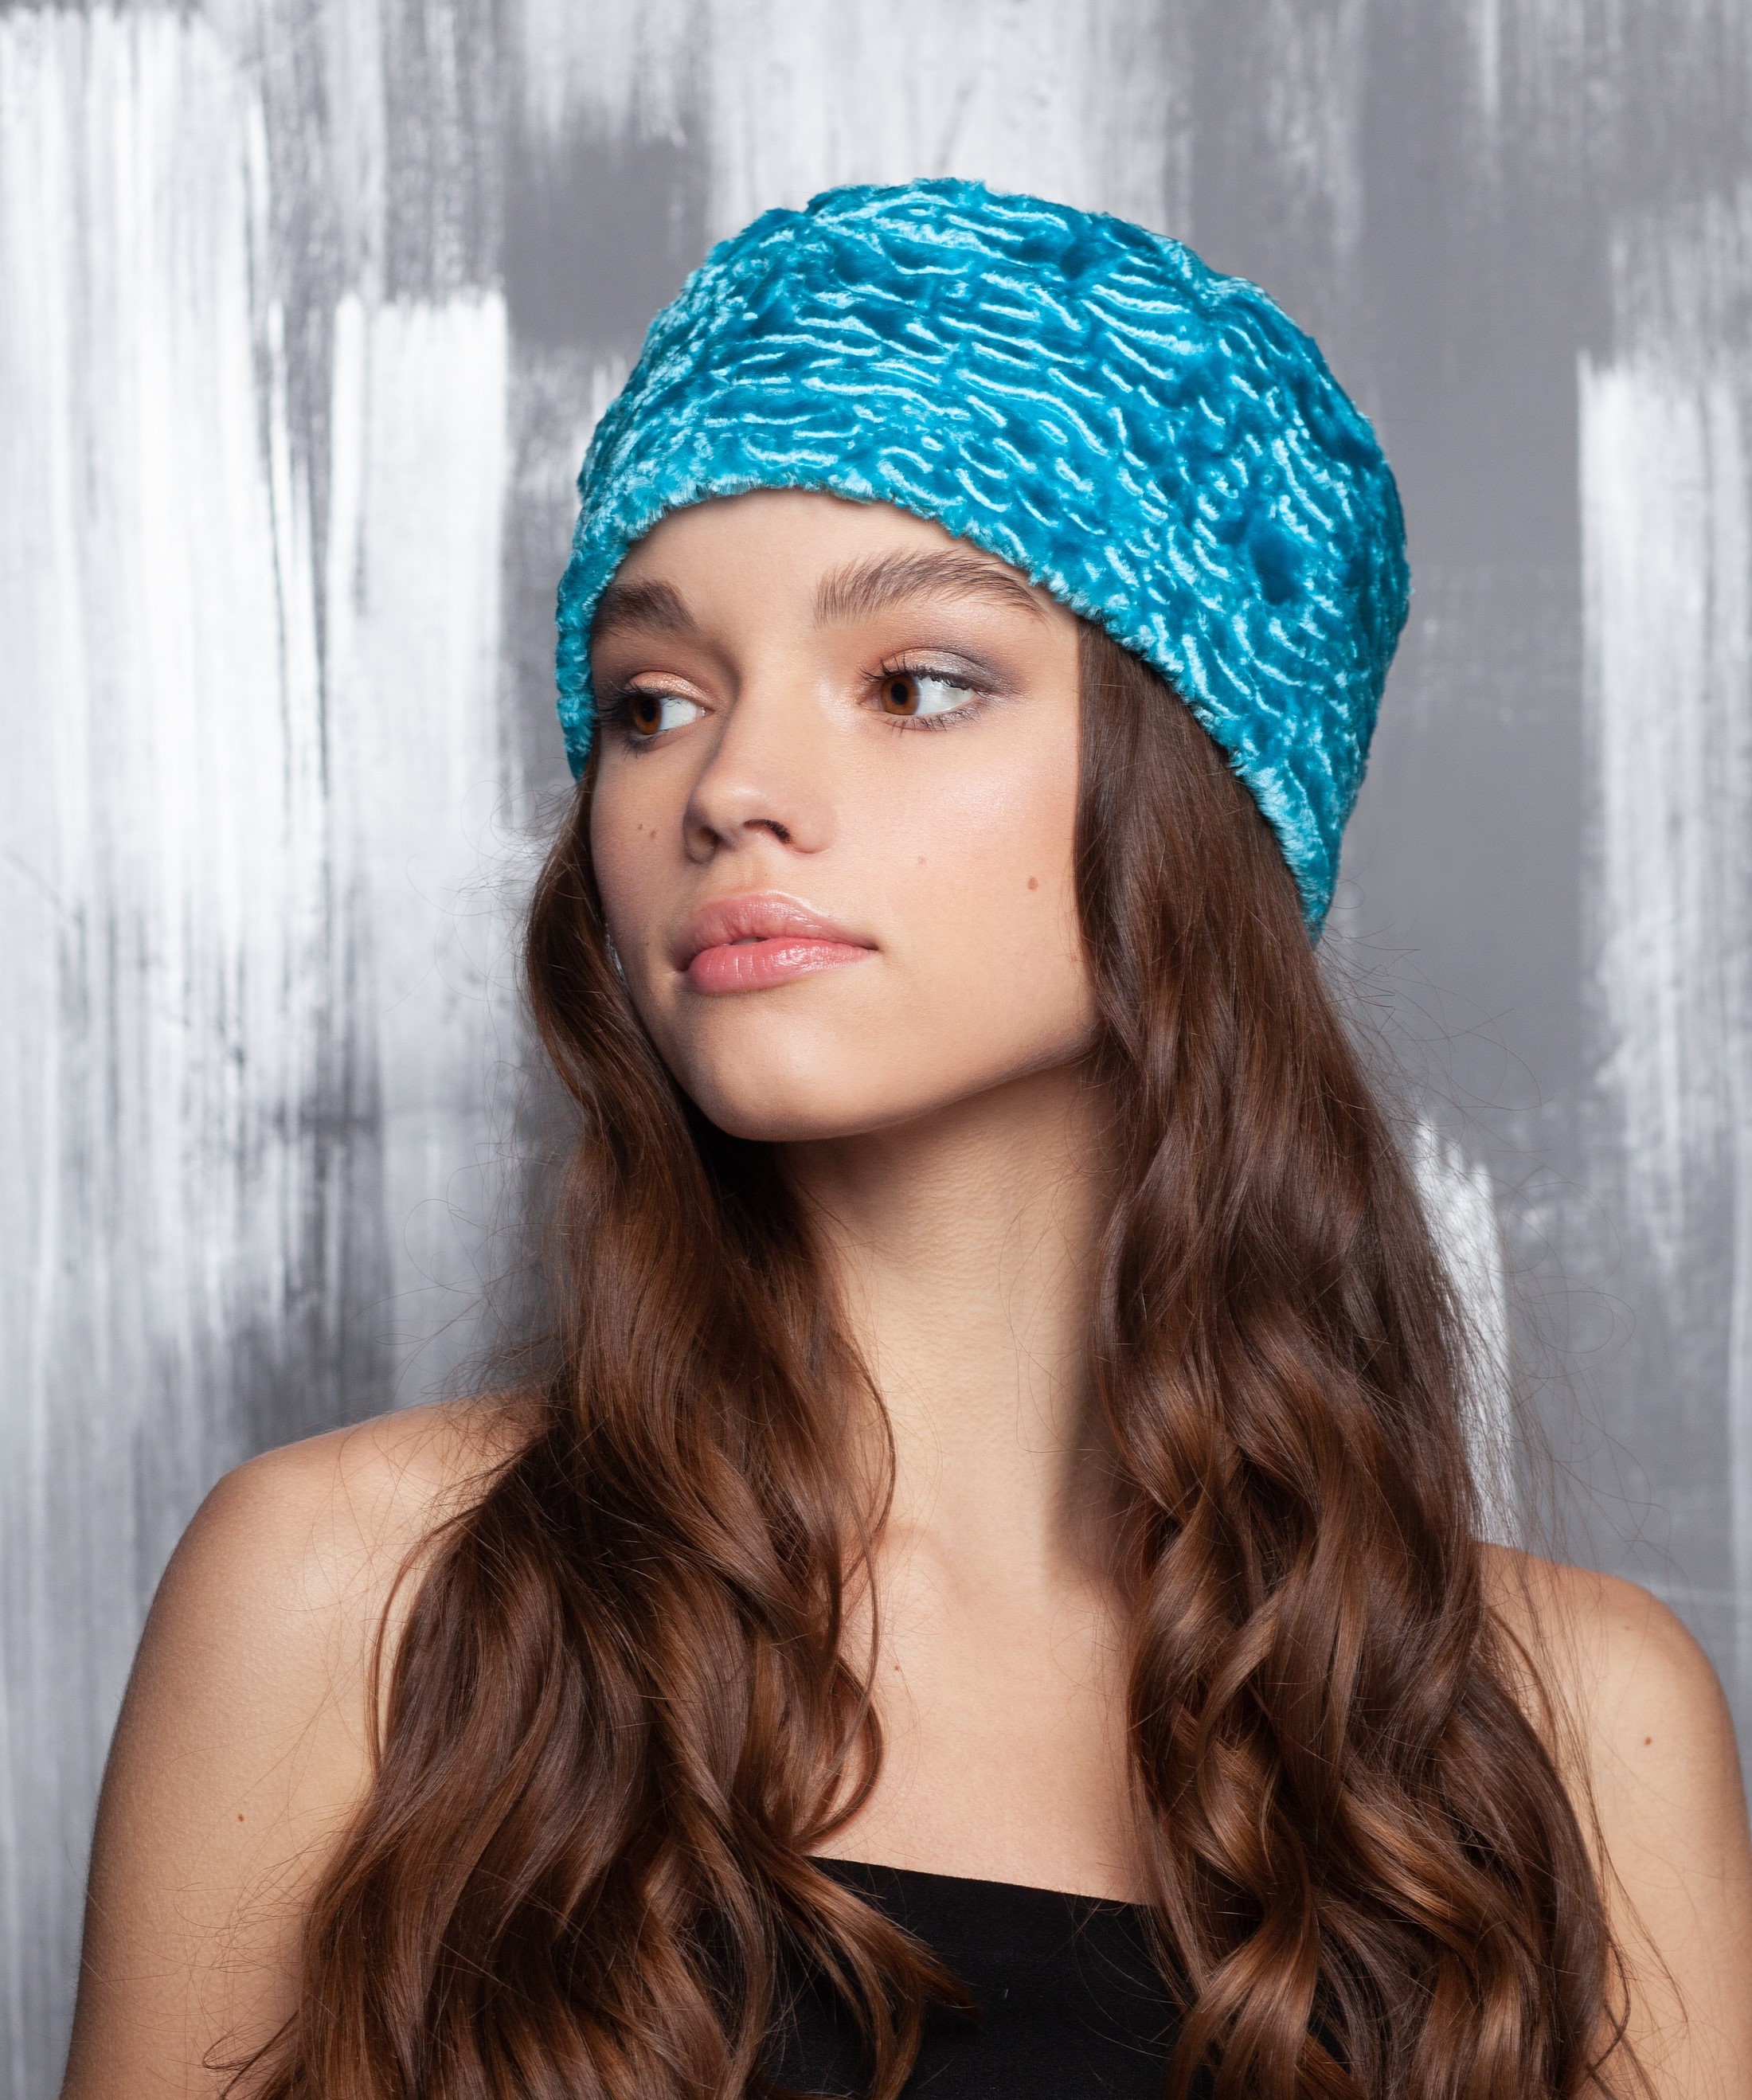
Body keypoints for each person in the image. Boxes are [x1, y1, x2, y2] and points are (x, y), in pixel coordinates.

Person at [62, 180, 1752, 2100]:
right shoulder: (346, 1605)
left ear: (1199, 788)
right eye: (651, 701)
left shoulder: (1572, 1736)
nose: (730, 786)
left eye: (912, 683)